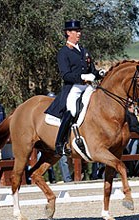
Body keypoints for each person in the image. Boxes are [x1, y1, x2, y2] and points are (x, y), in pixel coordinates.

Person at [45, 19, 105, 156]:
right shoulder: (64, 52)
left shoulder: (84, 51)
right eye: (76, 31)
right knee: (72, 110)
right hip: (74, 88)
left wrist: (98, 73)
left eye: (79, 31)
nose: (79, 33)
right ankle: (59, 144)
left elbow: (92, 70)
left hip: (88, 87)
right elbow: (66, 75)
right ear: (68, 33)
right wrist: (83, 77)